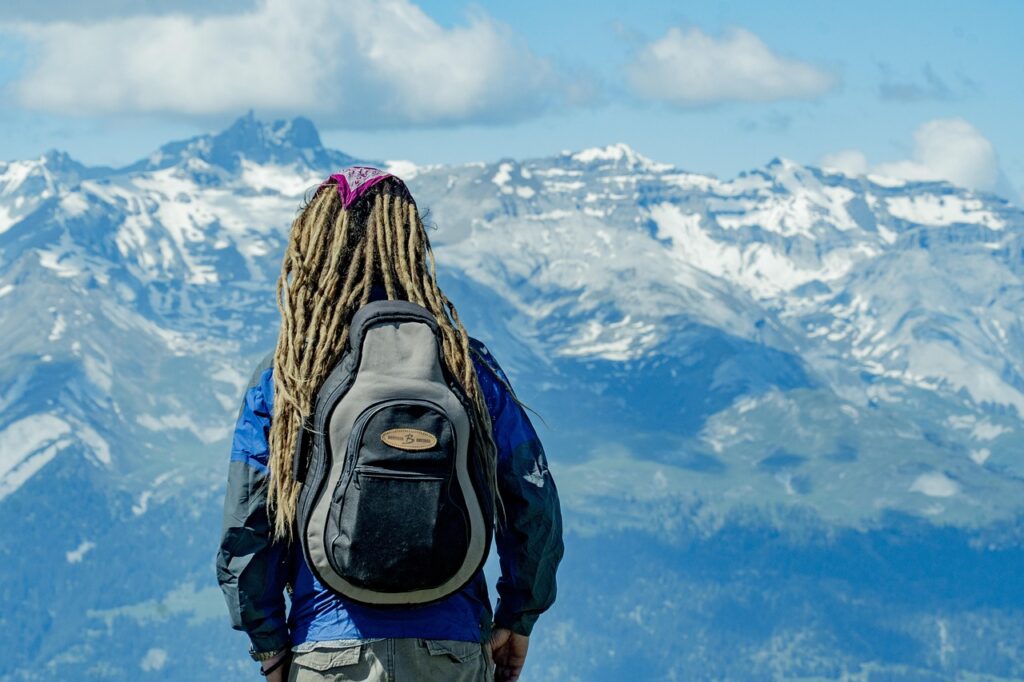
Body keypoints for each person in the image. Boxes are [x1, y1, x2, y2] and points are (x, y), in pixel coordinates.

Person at [216, 167, 564, 682]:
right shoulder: (467, 369)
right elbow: (532, 501)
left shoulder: (288, 376)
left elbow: (248, 523)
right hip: (451, 645)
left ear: (314, 253)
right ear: (413, 243)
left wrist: (269, 644)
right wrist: (519, 615)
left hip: (328, 650)